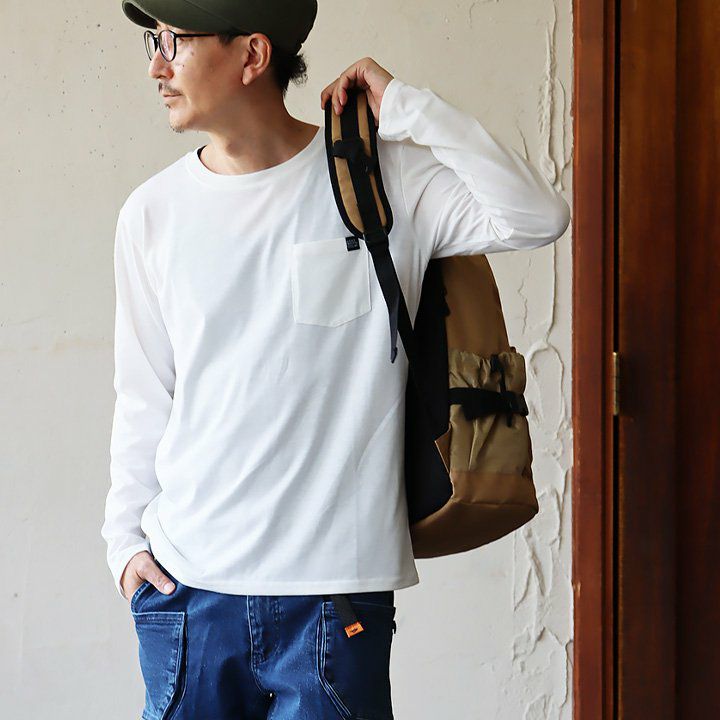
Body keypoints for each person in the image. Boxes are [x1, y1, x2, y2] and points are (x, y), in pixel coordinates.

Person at [101, 1, 571, 717]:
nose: (156, 66)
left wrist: (409, 106)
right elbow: (144, 396)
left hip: (333, 598)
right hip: (186, 592)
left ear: (252, 55)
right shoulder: (151, 213)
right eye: (152, 42)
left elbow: (537, 216)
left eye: (174, 41)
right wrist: (124, 548)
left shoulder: (382, 182)